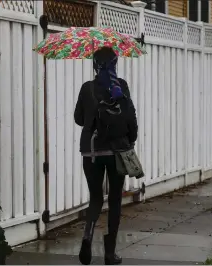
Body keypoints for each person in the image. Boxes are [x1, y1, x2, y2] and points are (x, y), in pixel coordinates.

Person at [74, 47, 138, 265]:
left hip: (91, 151)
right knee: (115, 199)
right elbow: (131, 118)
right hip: (116, 151)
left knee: (95, 198)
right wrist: (131, 140)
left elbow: (78, 119)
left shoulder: (87, 88)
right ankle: (110, 254)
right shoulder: (121, 86)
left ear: (94, 64)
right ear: (115, 63)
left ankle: (87, 236)